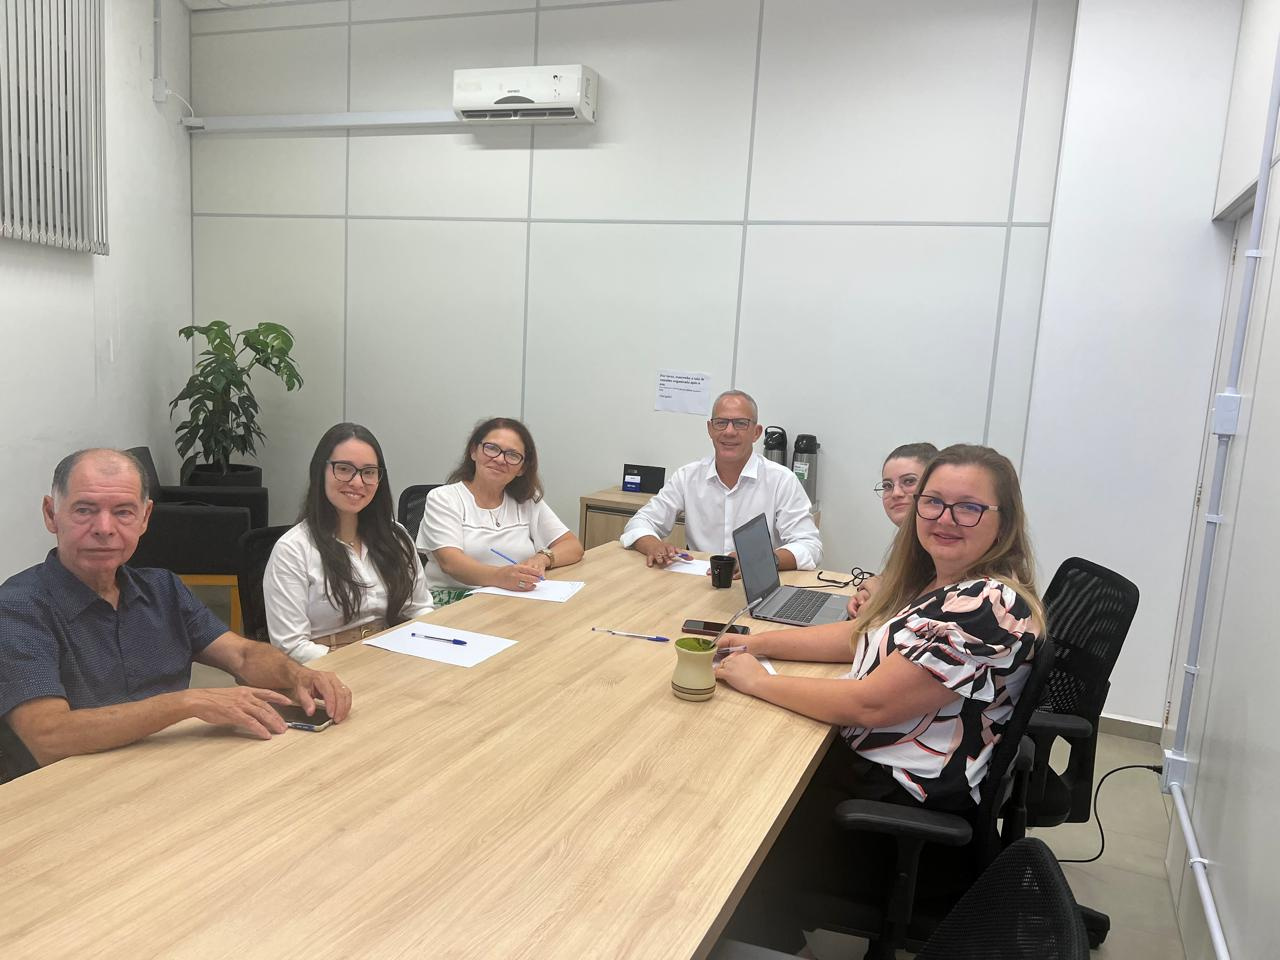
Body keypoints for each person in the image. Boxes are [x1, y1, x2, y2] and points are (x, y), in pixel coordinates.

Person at [712, 444, 1043, 950]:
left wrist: (758, 682)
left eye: (969, 507)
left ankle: (771, 939)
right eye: (933, 502)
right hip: (872, 773)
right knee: (741, 769)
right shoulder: (943, 583)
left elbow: (870, 705)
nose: (945, 518)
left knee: (729, 833)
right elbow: (860, 639)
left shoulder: (988, 604)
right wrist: (757, 643)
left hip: (902, 811)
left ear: (1005, 521)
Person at [0, 449, 351, 780]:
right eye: (84, 510)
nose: (104, 527)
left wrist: (297, 675)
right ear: (51, 514)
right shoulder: (19, 607)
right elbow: (47, 737)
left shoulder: (162, 588)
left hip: (171, 773)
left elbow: (243, 655)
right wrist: (186, 703)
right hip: (68, 792)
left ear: (145, 517)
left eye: (123, 512)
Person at [263, 423, 433, 663]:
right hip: (324, 669)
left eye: (369, 472)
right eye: (344, 469)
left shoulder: (396, 537)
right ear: (320, 472)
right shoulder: (293, 550)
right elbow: (291, 647)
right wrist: (356, 668)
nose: (357, 482)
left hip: (393, 660)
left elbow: (419, 609)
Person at [621, 390, 822, 571]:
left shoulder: (781, 480)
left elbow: (809, 546)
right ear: (710, 429)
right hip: (700, 583)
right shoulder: (688, 476)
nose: (729, 431)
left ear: (756, 433)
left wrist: (760, 560)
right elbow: (641, 522)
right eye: (721, 422)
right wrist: (654, 545)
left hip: (757, 586)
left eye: (740, 423)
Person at [416, 417, 584, 606]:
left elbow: (572, 546)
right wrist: (501, 577)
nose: (499, 459)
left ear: (522, 468)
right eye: (491, 448)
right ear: (473, 451)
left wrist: (543, 558)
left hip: (511, 599)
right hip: (453, 602)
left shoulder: (527, 500)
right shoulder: (444, 498)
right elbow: (451, 564)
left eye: (512, 455)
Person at [847, 441, 938, 616]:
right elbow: (891, 583)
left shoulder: (937, 543)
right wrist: (870, 589)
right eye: (887, 486)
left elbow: (886, 612)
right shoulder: (908, 538)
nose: (896, 493)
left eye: (909, 481)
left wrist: (875, 590)